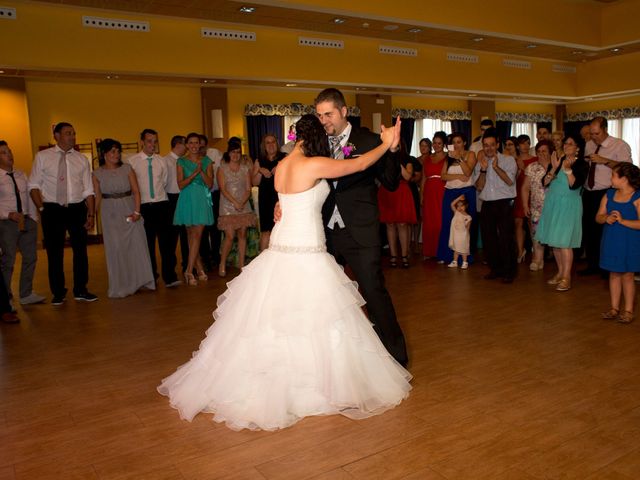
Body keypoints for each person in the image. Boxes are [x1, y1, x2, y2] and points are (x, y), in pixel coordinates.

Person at [158, 114, 411, 431]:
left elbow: (289, 200)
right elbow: (358, 166)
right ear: (314, 137)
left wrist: (282, 207)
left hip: (282, 245)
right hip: (305, 247)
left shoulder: (283, 166)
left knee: (274, 316)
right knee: (313, 314)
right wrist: (386, 144)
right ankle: (313, 386)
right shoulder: (311, 164)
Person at [315, 88, 408, 367]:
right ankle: (338, 358)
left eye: (328, 114)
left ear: (344, 111)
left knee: (373, 292)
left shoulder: (368, 140)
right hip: (324, 232)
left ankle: (395, 358)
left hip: (360, 229)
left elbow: (391, 182)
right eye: (319, 116)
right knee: (325, 297)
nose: (324, 121)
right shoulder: (317, 142)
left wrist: (391, 148)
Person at [28, 122, 97, 305]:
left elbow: (88, 190)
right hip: (52, 209)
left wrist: (90, 215)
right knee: (54, 252)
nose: (72, 136)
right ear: (56, 135)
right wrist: (42, 209)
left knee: (81, 251)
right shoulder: (43, 157)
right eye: (68, 133)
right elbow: (33, 185)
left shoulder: (82, 159)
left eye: (74, 133)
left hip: (76, 208)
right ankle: (58, 293)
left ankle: (81, 290)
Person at [92, 139, 155, 298]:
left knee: (135, 246)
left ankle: (139, 281)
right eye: (112, 151)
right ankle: (121, 284)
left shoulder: (127, 169)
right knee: (116, 248)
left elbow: (136, 191)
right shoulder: (97, 173)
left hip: (129, 209)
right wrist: (92, 215)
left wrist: (137, 212)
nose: (116, 154)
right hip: (109, 212)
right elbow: (97, 196)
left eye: (118, 151)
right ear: (104, 154)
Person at [535, 133, 588, 292]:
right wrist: (554, 169)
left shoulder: (582, 164)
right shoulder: (557, 161)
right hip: (553, 203)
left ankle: (567, 277)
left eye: (570, 143)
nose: (566, 146)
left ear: (577, 148)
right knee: (556, 243)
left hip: (568, 204)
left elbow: (574, 185)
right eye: (565, 143)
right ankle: (560, 273)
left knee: (565, 243)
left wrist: (567, 170)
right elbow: (544, 182)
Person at [129, 129, 181, 288]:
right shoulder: (132, 161)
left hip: (161, 204)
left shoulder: (161, 161)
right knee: (147, 244)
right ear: (142, 142)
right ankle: (151, 276)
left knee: (167, 244)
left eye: (155, 141)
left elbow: (164, 181)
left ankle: (170, 276)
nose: (153, 144)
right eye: (149, 141)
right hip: (144, 206)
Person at [581, 117, 633, 277]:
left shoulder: (619, 145)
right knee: (589, 230)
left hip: (606, 192)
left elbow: (628, 169)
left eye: (596, 133)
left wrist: (605, 161)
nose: (593, 137)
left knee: (604, 231)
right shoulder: (589, 144)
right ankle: (592, 265)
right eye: (591, 133)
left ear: (605, 129)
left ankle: (606, 267)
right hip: (588, 192)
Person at [0, 141, 45, 306]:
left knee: (31, 257)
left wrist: (33, 218)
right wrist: (8, 214)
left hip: (27, 221)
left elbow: (29, 197)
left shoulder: (21, 174)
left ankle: (26, 294)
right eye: (4, 152)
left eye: (10, 151)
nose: (9, 154)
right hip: (7, 224)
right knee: (8, 260)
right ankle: (6, 299)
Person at [596, 163, 640, 324]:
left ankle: (628, 310)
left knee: (628, 275)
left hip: (630, 241)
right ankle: (614, 308)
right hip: (612, 239)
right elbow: (598, 216)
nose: (611, 179)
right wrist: (605, 218)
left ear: (625, 179)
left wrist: (623, 221)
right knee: (613, 273)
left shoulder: (637, 197)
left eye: (613, 175)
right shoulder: (609, 194)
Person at [474, 128, 518, 283]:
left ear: (498, 144)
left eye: (492, 145)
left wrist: (497, 168)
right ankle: (495, 268)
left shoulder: (508, 160)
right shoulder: (480, 163)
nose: (489, 148)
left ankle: (509, 271)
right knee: (489, 238)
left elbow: (510, 181)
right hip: (487, 203)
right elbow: (479, 186)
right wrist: (484, 170)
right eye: (486, 145)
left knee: (506, 238)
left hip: (504, 202)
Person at [173, 132, 214, 285]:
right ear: (187, 145)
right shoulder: (181, 162)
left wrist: (201, 170)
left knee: (197, 235)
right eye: (190, 143)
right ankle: (199, 269)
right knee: (191, 236)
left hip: (201, 199)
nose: (194, 146)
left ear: (200, 144)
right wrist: (194, 174)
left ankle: (188, 271)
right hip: (187, 198)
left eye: (196, 143)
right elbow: (180, 184)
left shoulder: (207, 161)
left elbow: (210, 184)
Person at [437, 132, 477, 265]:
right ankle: (448, 256)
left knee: (464, 225)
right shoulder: (448, 157)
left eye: (459, 142)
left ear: (464, 143)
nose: (456, 145)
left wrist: (460, 159)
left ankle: (465, 258)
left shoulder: (470, 154)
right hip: (450, 193)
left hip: (466, 192)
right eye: (453, 142)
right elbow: (443, 176)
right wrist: (458, 177)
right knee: (448, 223)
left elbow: (468, 172)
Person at [217, 139, 256, 277]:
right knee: (229, 235)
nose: (236, 155)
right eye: (233, 152)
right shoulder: (222, 168)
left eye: (238, 152)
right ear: (228, 153)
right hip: (228, 206)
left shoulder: (245, 169)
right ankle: (222, 263)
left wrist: (242, 202)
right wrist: (235, 203)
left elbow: (248, 188)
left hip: (243, 205)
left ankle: (241, 265)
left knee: (242, 234)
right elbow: (223, 189)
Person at [378, 141, 416, 268]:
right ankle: (393, 256)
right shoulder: (382, 158)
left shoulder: (407, 159)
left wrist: (396, 162)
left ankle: (404, 255)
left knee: (402, 224)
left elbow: (407, 177)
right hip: (387, 191)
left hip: (402, 191)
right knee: (389, 224)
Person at [522, 139, 553, 271]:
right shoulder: (532, 167)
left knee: (554, 235)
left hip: (555, 207)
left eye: (544, 151)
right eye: (539, 151)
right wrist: (525, 205)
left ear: (551, 152)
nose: (541, 154)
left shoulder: (556, 166)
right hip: (537, 207)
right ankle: (537, 259)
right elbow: (525, 188)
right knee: (536, 234)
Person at [252, 134, 285, 251]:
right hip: (265, 199)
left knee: (281, 230)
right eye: (268, 142)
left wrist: (281, 168)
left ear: (277, 144)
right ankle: (263, 263)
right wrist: (259, 170)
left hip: (280, 199)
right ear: (264, 146)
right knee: (266, 231)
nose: (271, 145)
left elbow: (291, 178)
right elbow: (254, 182)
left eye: (273, 142)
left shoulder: (285, 158)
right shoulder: (259, 161)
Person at [164, 135, 189, 273]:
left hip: (185, 198)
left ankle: (187, 265)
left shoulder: (185, 161)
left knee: (187, 235)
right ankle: (170, 270)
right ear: (179, 144)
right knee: (171, 237)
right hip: (171, 199)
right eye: (186, 144)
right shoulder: (165, 161)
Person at [199, 134, 223, 272]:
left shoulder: (215, 153)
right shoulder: (192, 158)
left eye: (203, 146)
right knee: (203, 228)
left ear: (207, 146)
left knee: (214, 227)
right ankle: (205, 257)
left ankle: (215, 255)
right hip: (199, 196)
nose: (200, 148)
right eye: (198, 146)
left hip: (213, 194)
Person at [513, 135, 537, 263]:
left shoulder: (536, 159)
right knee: (518, 222)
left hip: (532, 194)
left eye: (528, 143)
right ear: (518, 145)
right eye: (522, 143)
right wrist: (519, 169)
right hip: (517, 192)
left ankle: (535, 252)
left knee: (532, 223)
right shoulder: (513, 160)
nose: (525, 146)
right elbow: (510, 181)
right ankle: (521, 251)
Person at [421, 136, 446, 259]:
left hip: (442, 189)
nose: (436, 145)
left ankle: (441, 251)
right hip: (429, 190)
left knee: (440, 220)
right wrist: (422, 195)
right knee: (429, 221)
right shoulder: (428, 158)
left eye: (439, 143)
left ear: (444, 144)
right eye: (435, 143)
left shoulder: (448, 157)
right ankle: (429, 251)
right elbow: (424, 178)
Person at [447, 194, 472, 269]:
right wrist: (458, 198)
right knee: (456, 249)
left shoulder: (468, 217)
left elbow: (467, 228)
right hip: (456, 235)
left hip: (463, 236)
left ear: (466, 206)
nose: (459, 207)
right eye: (458, 206)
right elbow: (452, 204)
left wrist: (466, 236)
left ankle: (465, 262)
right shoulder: (456, 213)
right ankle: (455, 261)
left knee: (463, 249)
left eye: (462, 205)